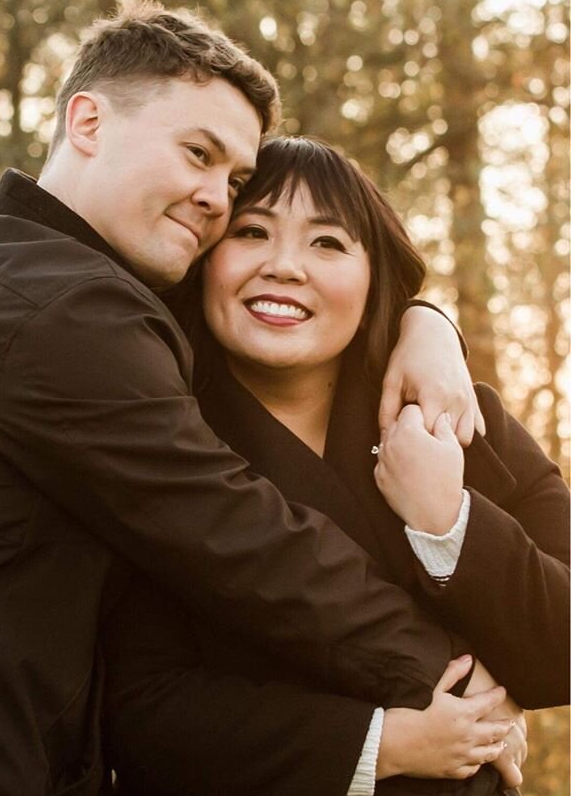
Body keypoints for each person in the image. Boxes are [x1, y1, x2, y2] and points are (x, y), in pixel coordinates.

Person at [0, 4, 488, 794]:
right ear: (86, 121)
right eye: (197, 154)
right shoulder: (72, 312)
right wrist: (457, 683)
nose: (216, 200)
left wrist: (424, 321)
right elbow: (249, 540)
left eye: (232, 180)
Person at [102, 136, 569, 796]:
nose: (285, 266)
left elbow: (563, 656)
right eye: (251, 231)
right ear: (205, 260)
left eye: (328, 243)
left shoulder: (460, 414)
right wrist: (381, 744)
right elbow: (138, 707)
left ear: (375, 274)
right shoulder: (156, 438)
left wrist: (448, 522)